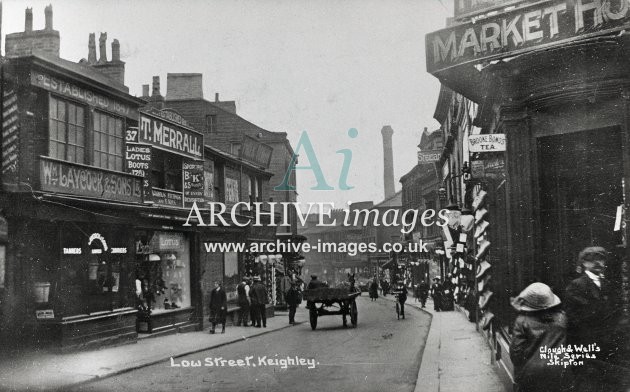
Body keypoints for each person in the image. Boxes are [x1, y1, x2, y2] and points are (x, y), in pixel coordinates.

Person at [564, 247, 622, 392]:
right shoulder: (576, 285)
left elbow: (616, 310)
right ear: (583, 263)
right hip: (586, 342)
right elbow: (574, 317)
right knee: (586, 381)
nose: (597, 263)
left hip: (607, 341)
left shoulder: (608, 284)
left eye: (601, 259)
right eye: (592, 260)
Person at [510, 282, 571, 392]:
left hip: (532, 373)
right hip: (559, 370)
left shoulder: (522, 321)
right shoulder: (562, 317)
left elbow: (516, 353)